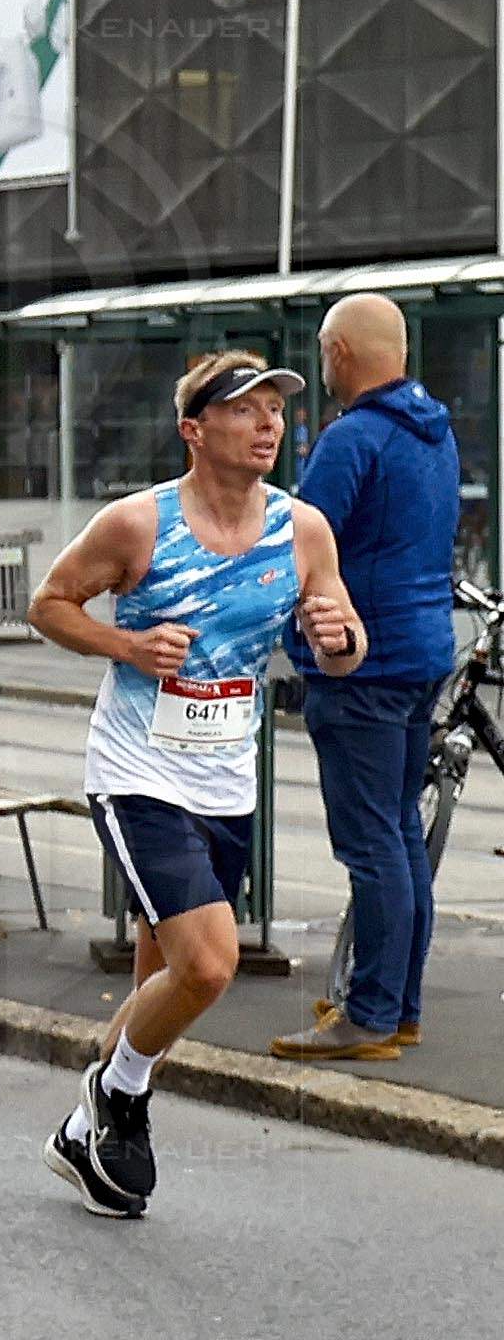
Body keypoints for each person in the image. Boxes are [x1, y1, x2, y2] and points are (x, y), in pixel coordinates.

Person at [31, 352, 362, 1216]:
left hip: (225, 778)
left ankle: (84, 1132)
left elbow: (342, 640)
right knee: (211, 964)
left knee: (162, 981)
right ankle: (123, 1098)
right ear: (193, 428)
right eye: (246, 409)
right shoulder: (138, 525)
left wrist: (336, 637)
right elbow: (51, 602)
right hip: (138, 770)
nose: (269, 425)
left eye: (277, 411)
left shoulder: (304, 530)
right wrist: (129, 647)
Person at [286, 292, 458, 1060]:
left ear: (341, 355)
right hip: (422, 655)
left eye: (325, 352)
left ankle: (372, 1014)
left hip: (361, 663)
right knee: (400, 838)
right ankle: (400, 1006)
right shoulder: (435, 433)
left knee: (372, 846)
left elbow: (300, 544)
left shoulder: (352, 439)